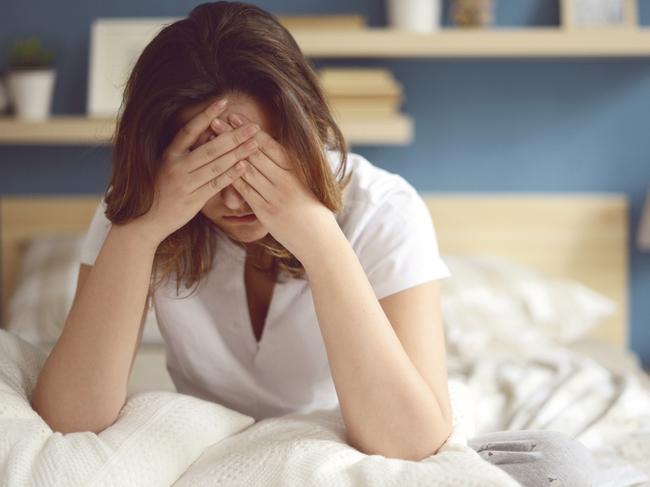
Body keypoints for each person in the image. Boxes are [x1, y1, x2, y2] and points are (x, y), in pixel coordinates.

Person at [30, 2, 597, 484]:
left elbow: (411, 440)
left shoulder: (382, 209)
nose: (234, 199)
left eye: (257, 161)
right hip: (220, 447)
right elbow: (71, 418)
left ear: (303, 132)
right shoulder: (136, 210)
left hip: (362, 433)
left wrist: (317, 235)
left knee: (563, 466)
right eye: (208, 166)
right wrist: (144, 228)